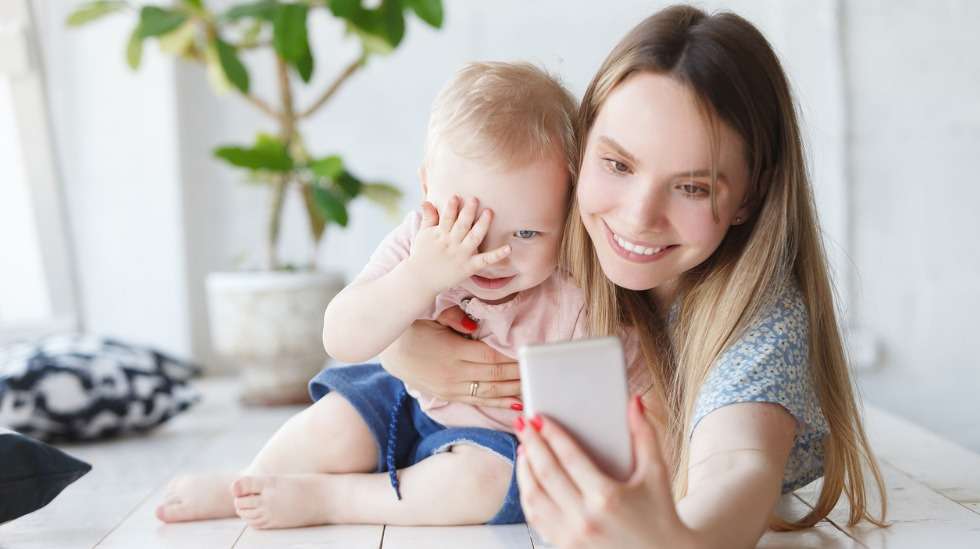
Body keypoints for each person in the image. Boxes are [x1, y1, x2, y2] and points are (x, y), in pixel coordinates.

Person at [379, 5, 888, 548]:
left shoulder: (758, 319)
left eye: (692, 187)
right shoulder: (540, 234)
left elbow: (739, 466)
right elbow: (393, 290)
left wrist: (679, 540)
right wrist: (397, 346)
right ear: (578, 149)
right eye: (618, 165)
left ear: (750, 195)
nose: (638, 217)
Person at [155, 61, 630, 528]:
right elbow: (340, 337)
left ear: (569, 210)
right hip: (403, 396)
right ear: (427, 189)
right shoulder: (416, 240)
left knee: (485, 484)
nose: (493, 255)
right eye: (466, 227)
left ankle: (335, 499)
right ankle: (249, 481)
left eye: (527, 233)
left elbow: (612, 396)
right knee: (338, 421)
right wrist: (420, 277)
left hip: (493, 441)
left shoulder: (578, 280)